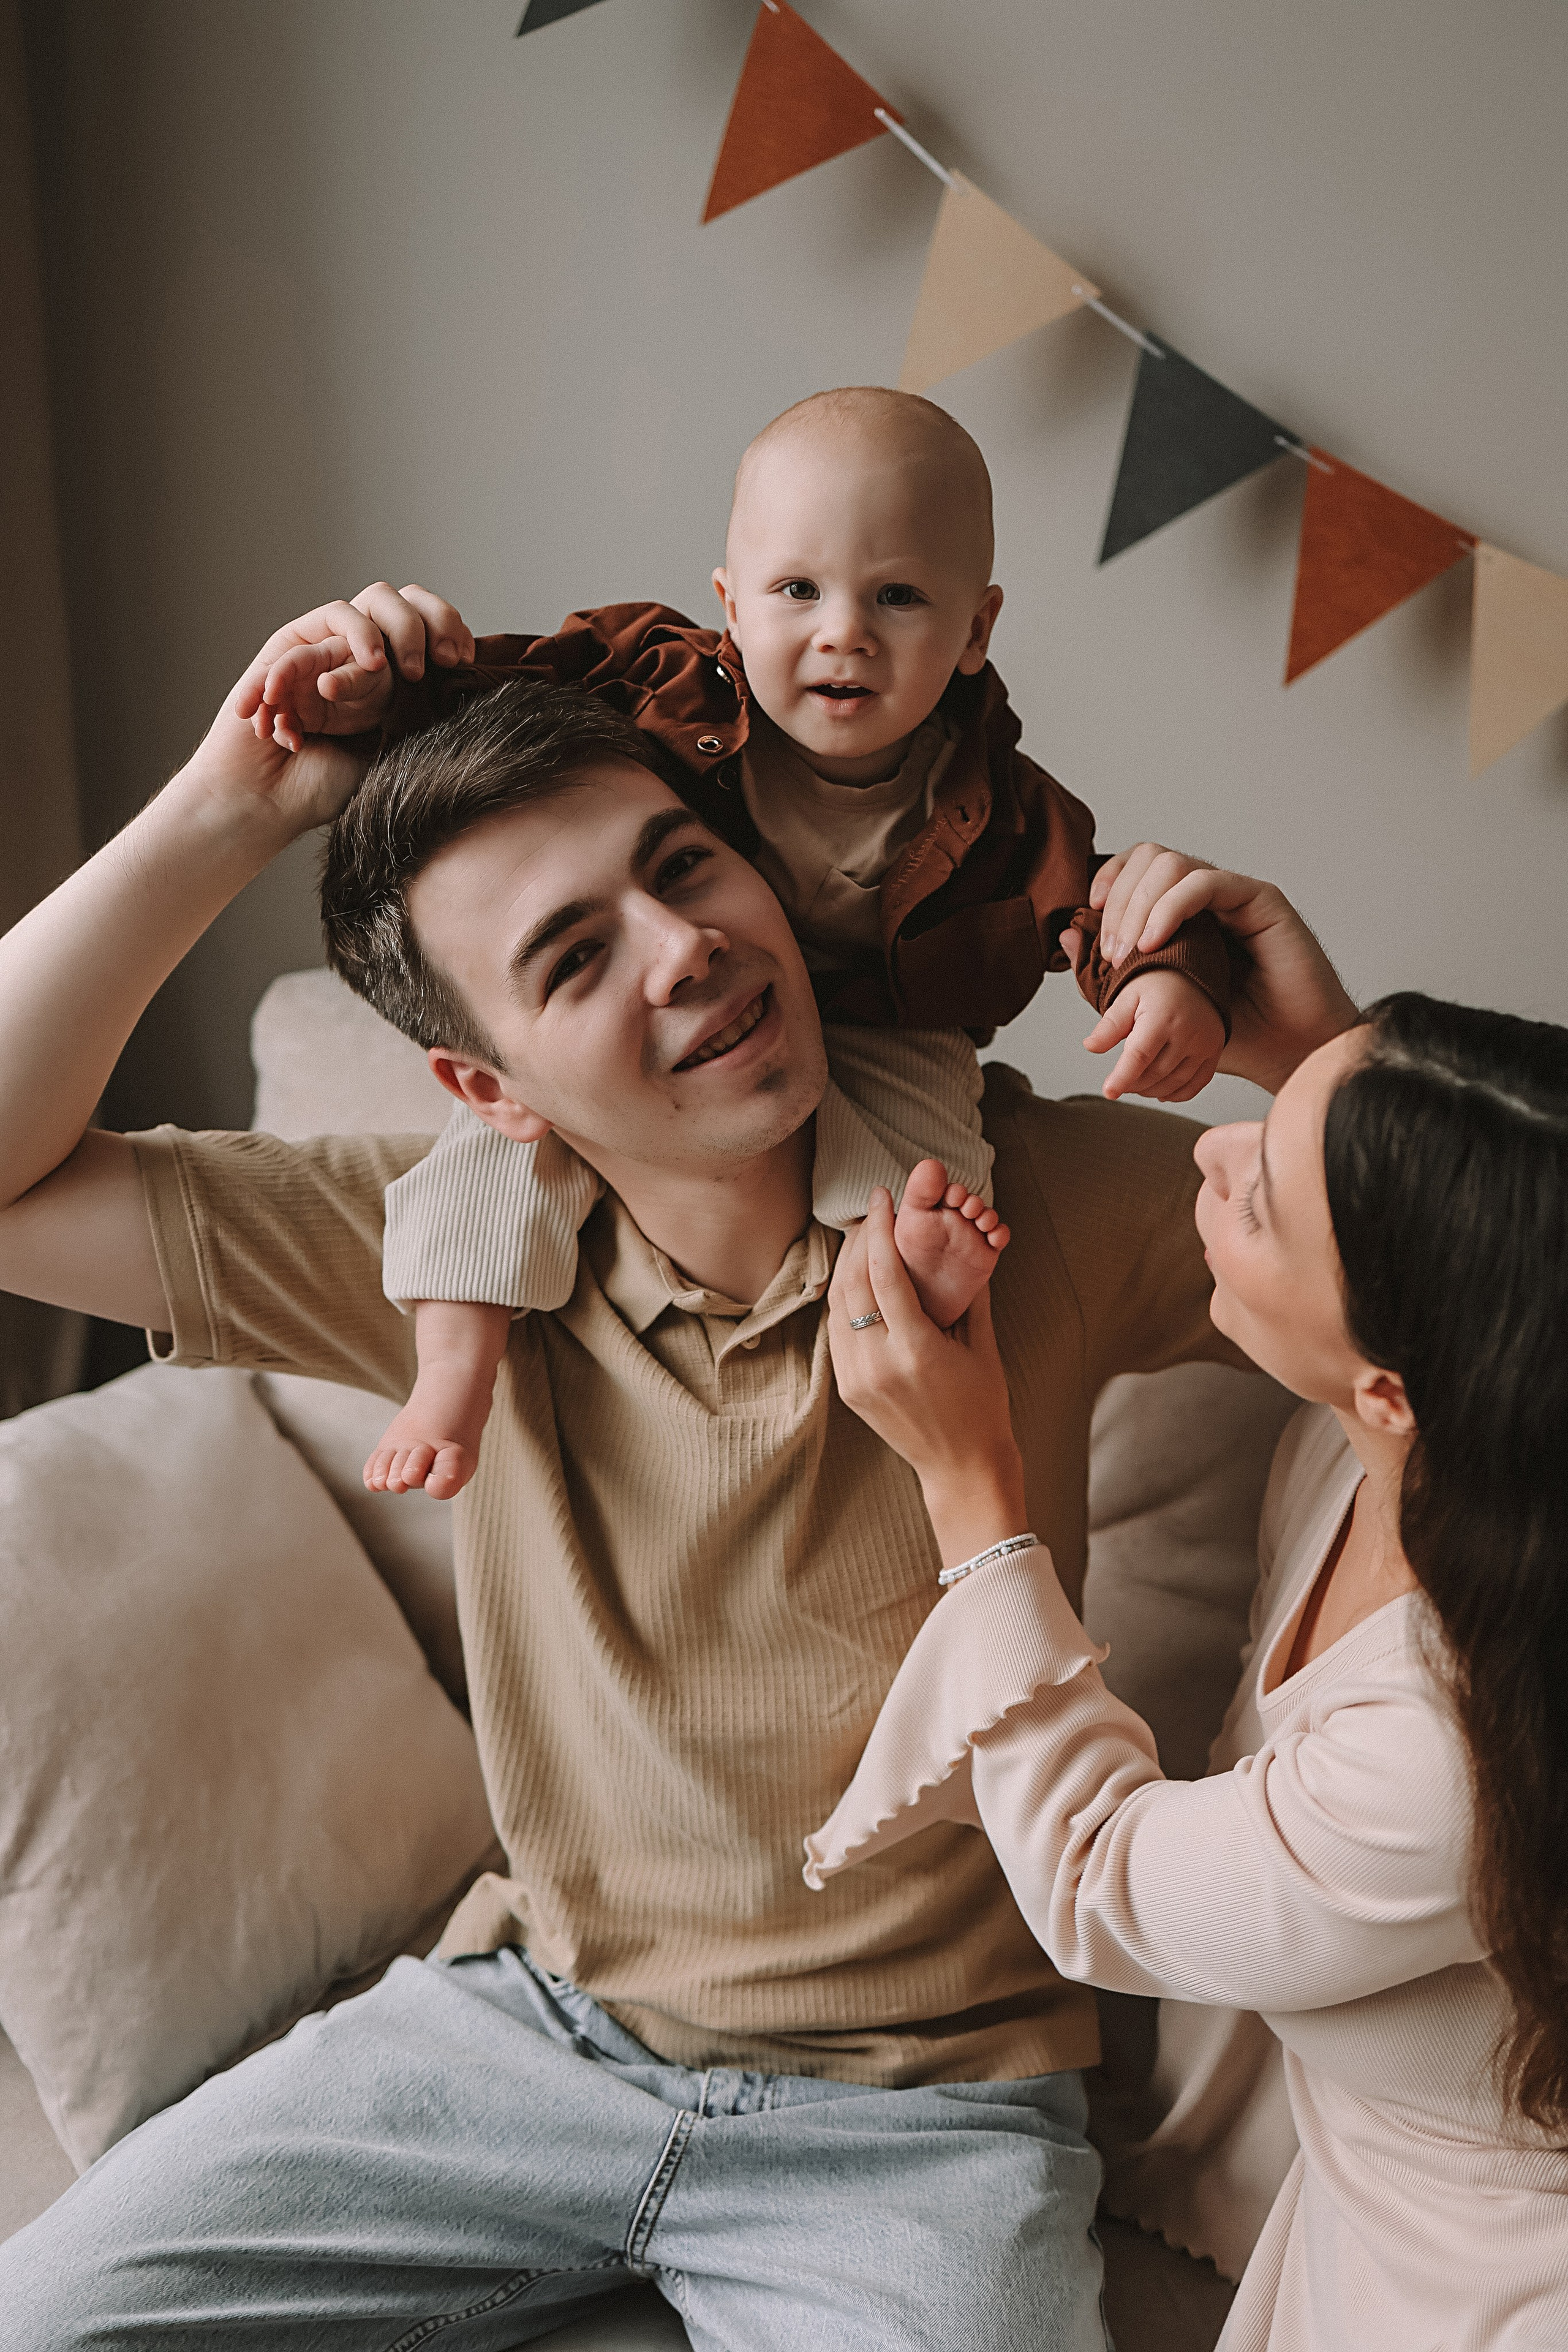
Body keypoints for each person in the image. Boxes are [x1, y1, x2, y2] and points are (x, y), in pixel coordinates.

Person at [0, 592, 1349, 2349]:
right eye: (575, 956)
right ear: (488, 1086)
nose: (684, 947)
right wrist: (230, 805)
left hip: (922, 2121)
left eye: (685, 871)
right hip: (533, 2036)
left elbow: (1458, 1274)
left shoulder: (1030, 1199)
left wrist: (1308, 1054)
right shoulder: (420, 1247)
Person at [242, 387, 1233, 1504]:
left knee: (933, 1175)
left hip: (884, 1022)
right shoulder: (660, 685)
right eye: (797, 590)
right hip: (715, 1022)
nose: (843, 630)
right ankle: (455, 1372)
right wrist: (381, 691)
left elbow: (1096, 911)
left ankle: (918, 1317)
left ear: (976, 632)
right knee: (494, 1162)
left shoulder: (1000, 804)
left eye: (899, 596)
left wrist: (1168, 982)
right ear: (729, 604)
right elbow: (502, 695)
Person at [806, 903, 1568, 2351]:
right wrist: (1317, 1050)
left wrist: (970, 1482)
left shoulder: (1442, 1746)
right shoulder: (1417, 1446)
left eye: (1259, 1193)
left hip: (1475, 2290)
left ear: (1396, 1390)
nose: (1207, 1151)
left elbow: (1100, 1880)